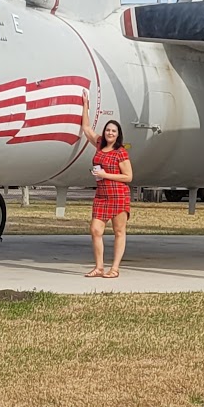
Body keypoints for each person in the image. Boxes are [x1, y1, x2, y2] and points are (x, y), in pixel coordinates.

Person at [80, 103, 133, 278]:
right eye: (108, 130)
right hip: (102, 195)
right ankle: (99, 267)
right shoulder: (99, 144)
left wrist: (106, 174)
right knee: (95, 230)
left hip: (118, 195)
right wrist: (85, 105)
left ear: (118, 135)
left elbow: (128, 177)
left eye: (113, 131)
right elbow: (86, 128)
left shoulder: (121, 152)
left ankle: (115, 268)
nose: (110, 133)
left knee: (119, 231)